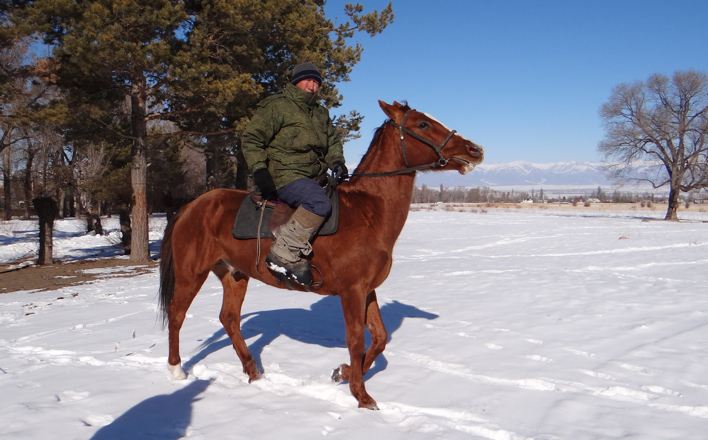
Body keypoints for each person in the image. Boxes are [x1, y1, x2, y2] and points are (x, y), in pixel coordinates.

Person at [241, 62, 348, 285]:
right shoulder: (277, 106)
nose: (311, 86)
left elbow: (333, 142)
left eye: (316, 82)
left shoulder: (320, 112)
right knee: (318, 203)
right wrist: (260, 169)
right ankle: (283, 254)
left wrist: (337, 161)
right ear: (295, 81)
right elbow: (252, 139)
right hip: (285, 174)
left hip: (315, 176)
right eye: (307, 80)